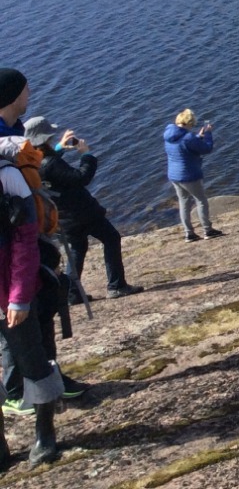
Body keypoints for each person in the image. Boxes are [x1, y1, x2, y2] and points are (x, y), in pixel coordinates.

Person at [26, 117, 141, 300]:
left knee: (77, 249)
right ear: (45, 137)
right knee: (111, 238)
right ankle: (116, 285)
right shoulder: (51, 163)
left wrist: (60, 148)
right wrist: (86, 155)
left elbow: (50, 167)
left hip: (63, 218)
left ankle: (72, 294)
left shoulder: (31, 162)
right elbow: (81, 177)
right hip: (83, 213)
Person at [0, 136, 61, 465]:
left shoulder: (6, 175)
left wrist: (19, 297)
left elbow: (26, 240)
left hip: (11, 296)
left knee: (33, 363)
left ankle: (45, 435)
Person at [164, 109, 222, 242]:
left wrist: (198, 136)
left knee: (183, 203)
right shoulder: (188, 137)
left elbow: (184, 145)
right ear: (189, 122)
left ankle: (189, 233)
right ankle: (208, 230)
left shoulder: (169, 135)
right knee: (201, 201)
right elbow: (206, 148)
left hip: (174, 175)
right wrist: (207, 134)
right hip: (189, 175)